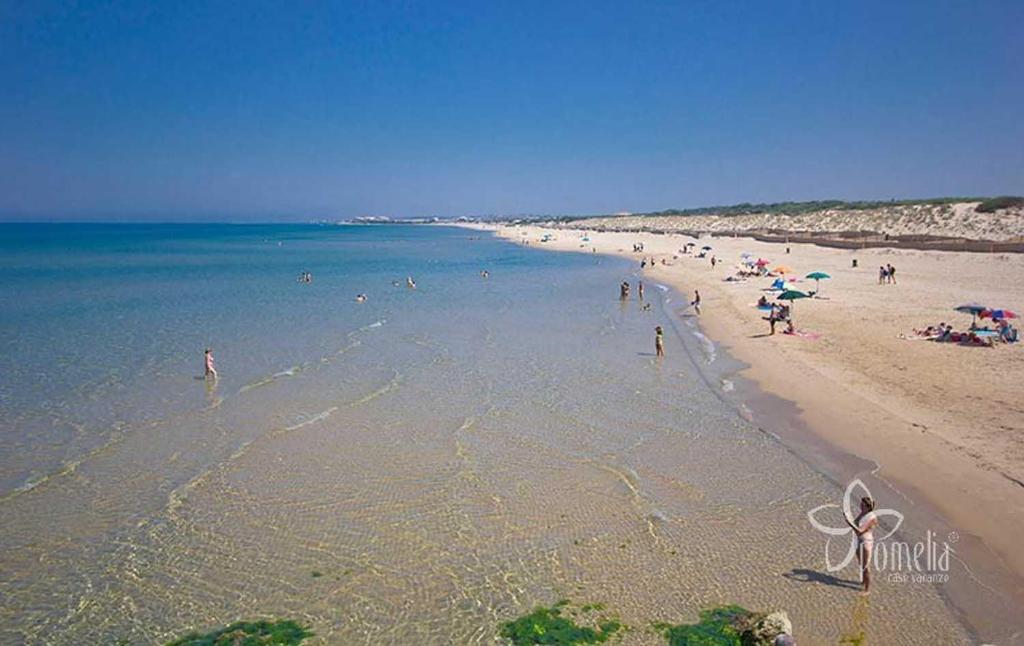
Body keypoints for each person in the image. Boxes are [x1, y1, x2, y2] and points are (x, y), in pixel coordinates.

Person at [845, 496, 878, 593]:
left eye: (863, 506)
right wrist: (849, 519)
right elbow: (855, 523)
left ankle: (867, 590)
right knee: (861, 564)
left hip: (866, 542)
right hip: (859, 541)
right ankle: (864, 582)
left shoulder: (872, 518)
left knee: (866, 566)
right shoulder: (863, 514)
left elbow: (860, 531)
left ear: (868, 507)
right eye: (861, 504)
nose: (861, 507)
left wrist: (849, 523)